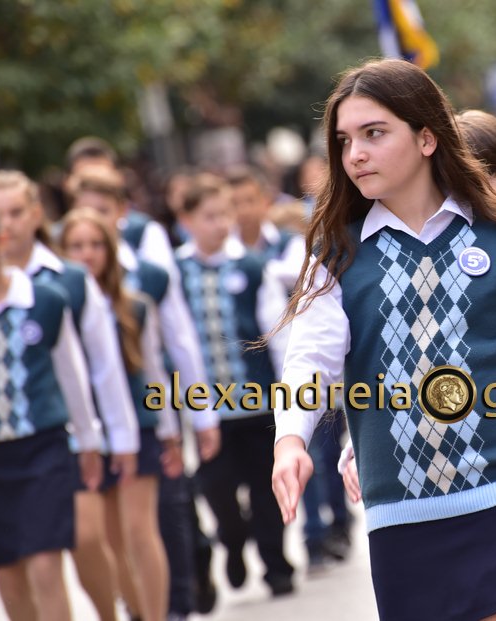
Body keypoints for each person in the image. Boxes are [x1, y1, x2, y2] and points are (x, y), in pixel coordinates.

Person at [271, 58, 496, 621]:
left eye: (374, 133)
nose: (355, 154)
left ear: (427, 138)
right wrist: (290, 439)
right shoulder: (334, 253)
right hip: (401, 515)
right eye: (345, 140)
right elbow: (311, 356)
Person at [0, 193, 104, 621]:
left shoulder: (44, 300)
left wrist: (88, 440)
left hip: (43, 447)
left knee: (46, 563)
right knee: (9, 578)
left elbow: (71, 373)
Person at [61, 208, 184, 621]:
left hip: (139, 425)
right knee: (106, 539)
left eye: (96, 245)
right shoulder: (58, 306)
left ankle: (157, 613)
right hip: (87, 431)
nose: (87, 254)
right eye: (77, 246)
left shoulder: (135, 306)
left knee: (138, 530)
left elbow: (154, 372)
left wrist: (169, 431)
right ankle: (135, 610)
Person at [176, 176, 296, 597]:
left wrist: (288, 391)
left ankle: (276, 565)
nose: (220, 224)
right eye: (208, 217)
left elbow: (276, 332)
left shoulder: (251, 266)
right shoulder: (176, 271)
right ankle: (232, 538)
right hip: (208, 409)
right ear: (187, 221)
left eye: (224, 215)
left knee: (265, 487)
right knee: (217, 488)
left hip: (257, 401)